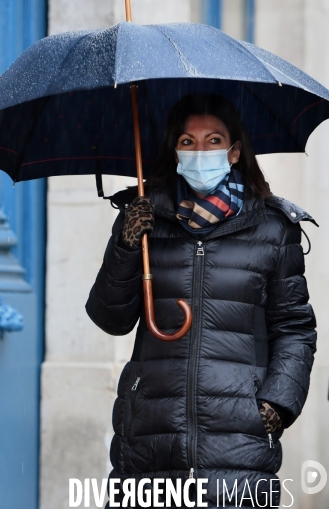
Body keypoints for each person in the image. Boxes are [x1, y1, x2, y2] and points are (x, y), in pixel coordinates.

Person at [86, 93, 317, 508]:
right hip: (151, 436)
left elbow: (295, 328)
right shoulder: (143, 220)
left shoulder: (274, 228)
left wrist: (278, 402)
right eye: (188, 143)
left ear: (234, 152)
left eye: (213, 140)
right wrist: (125, 244)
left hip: (239, 442)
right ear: (174, 151)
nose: (200, 151)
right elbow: (110, 317)